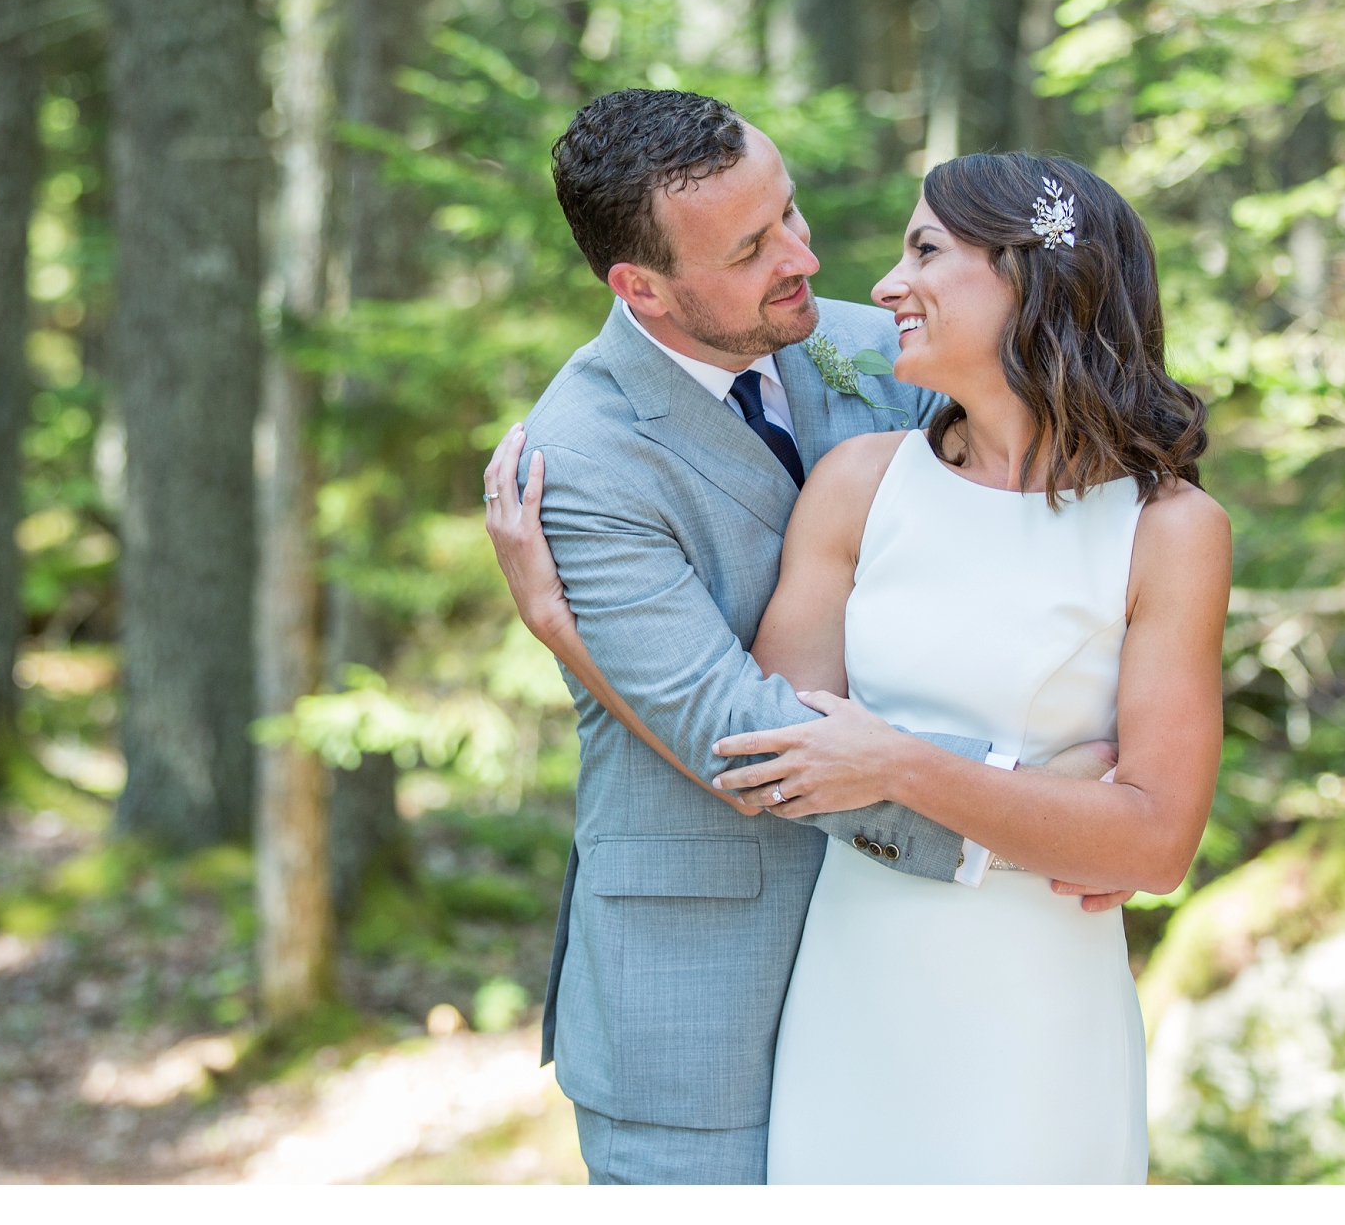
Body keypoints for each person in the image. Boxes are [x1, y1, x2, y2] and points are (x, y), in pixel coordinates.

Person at [481, 90, 1125, 1186]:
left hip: (915, 992)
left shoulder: (886, 350)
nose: (804, 257)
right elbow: (739, 733)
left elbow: (1057, 540)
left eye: (790, 211)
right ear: (641, 287)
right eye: (751, 248)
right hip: (699, 1009)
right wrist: (1040, 818)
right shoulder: (578, 461)